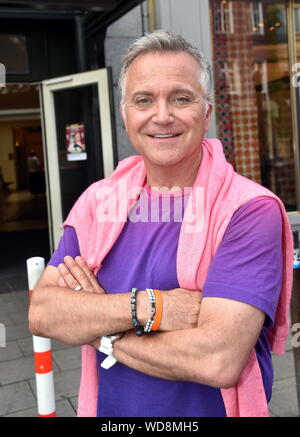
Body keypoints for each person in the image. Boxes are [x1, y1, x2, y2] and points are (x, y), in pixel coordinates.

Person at [29, 30, 293, 417]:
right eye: (144, 100)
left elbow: (216, 359)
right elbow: (43, 313)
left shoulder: (249, 210)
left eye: (181, 98)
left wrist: (99, 323)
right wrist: (152, 306)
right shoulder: (98, 201)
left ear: (206, 113)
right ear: (126, 116)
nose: (162, 115)